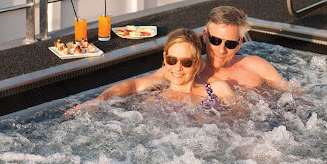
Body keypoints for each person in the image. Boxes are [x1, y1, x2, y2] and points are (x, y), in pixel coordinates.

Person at [66, 28, 234, 114]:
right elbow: (130, 86)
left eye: (186, 62)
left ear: (197, 64)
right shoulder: (156, 89)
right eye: (172, 60)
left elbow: (239, 118)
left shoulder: (216, 89)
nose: (178, 67)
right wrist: (99, 100)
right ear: (165, 57)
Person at [197, 5, 290, 92]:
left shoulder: (257, 66)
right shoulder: (190, 74)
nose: (222, 50)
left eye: (230, 44)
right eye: (216, 40)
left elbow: (295, 95)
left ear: (239, 43)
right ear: (205, 36)